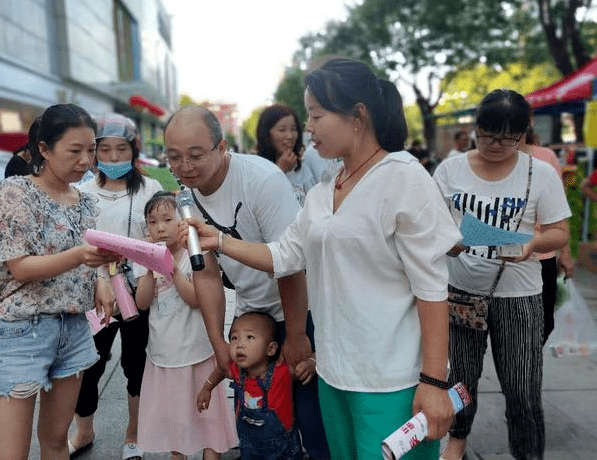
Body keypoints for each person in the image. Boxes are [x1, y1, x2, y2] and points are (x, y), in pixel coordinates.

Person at [182, 58, 460, 460]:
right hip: (334, 374)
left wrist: (433, 382)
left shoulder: (403, 177)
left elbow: (432, 289)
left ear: (357, 116)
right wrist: (220, 242)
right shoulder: (324, 191)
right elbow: (285, 255)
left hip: (390, 381)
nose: (307, 128)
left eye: (315, 115)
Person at [164, 106, 330, 459]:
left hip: (303, 309)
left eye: (195, 155)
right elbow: (206, 273)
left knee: (313, 421)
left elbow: (290, 262)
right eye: (174, 157)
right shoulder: (186, 198)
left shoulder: (261, 180)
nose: (184, 167)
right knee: (263, 421)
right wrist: (219, 343)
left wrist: (298, 333)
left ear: (222, 148)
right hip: (255, 319)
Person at [0, 103, 122, 460]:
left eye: (90, 150)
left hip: (73, 329)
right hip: (18, 332)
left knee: (56, 444)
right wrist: (80, 256)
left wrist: (101, 278)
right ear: (43, 149)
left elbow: (92, 255)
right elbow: (20, 267)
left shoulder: (86, 202)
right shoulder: (14, 192)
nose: (86, 160)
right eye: (74, 151)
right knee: (10, 454)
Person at [433, 89, 571, 460]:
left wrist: (533, 244)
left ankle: (527, 453)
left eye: (508, 137)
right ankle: (455, 445)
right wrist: (448, 241)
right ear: (475, 128)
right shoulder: (449, 170)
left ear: (523, 133)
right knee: (459, 381)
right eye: (488, 135)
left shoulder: (540, 173)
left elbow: (560, 232)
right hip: (460, 291)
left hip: (519, 296)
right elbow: (429, 225)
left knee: (523, 389)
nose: (496, 145)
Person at [68, 115, 163, 459]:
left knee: (137, 364)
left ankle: (133, 434)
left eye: (121, 149)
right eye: (104, 150)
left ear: (133, 150)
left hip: (139, 291)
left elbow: (165, 234)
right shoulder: (80, 193)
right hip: (96, 293)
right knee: (88, 364)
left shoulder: (150, 189)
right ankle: (84, 431)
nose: (112, 157)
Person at [133, 191, 237, 459]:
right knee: (176, 415)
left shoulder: (194, 254)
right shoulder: (147, 260)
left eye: (167, 219)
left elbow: (194, 299)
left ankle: (211, 452)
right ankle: (178, 453)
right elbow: (142, 303)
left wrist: (171, 269)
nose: (160, 227)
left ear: (182, 221)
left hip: (197, 349)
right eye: (152, 221)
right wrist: (147, 269)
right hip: (165, 352)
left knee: (208, 412)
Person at [198, 311, 314, 460]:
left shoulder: (282, 372)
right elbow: (221, 369)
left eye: (249, 337)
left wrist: (311, 363)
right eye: (234, 338)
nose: (239, 344)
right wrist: (207, 388)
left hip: (282, 453)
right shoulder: (237, 372)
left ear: (271, 349)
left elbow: (307, 361)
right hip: (249, 451)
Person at [518, 125, 574, 343]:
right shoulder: (492, 158)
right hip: (505, 257)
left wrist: (565, 253)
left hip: (542, 256)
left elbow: (558, 212)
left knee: (543, 325)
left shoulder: (546, 156)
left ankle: (527, 368)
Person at [256, 104, 317, 205]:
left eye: (293, 129)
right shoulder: (256, 169)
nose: (289, 136)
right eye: (282, 130)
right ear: (267, 133)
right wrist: (280, 170)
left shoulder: (303, 166)